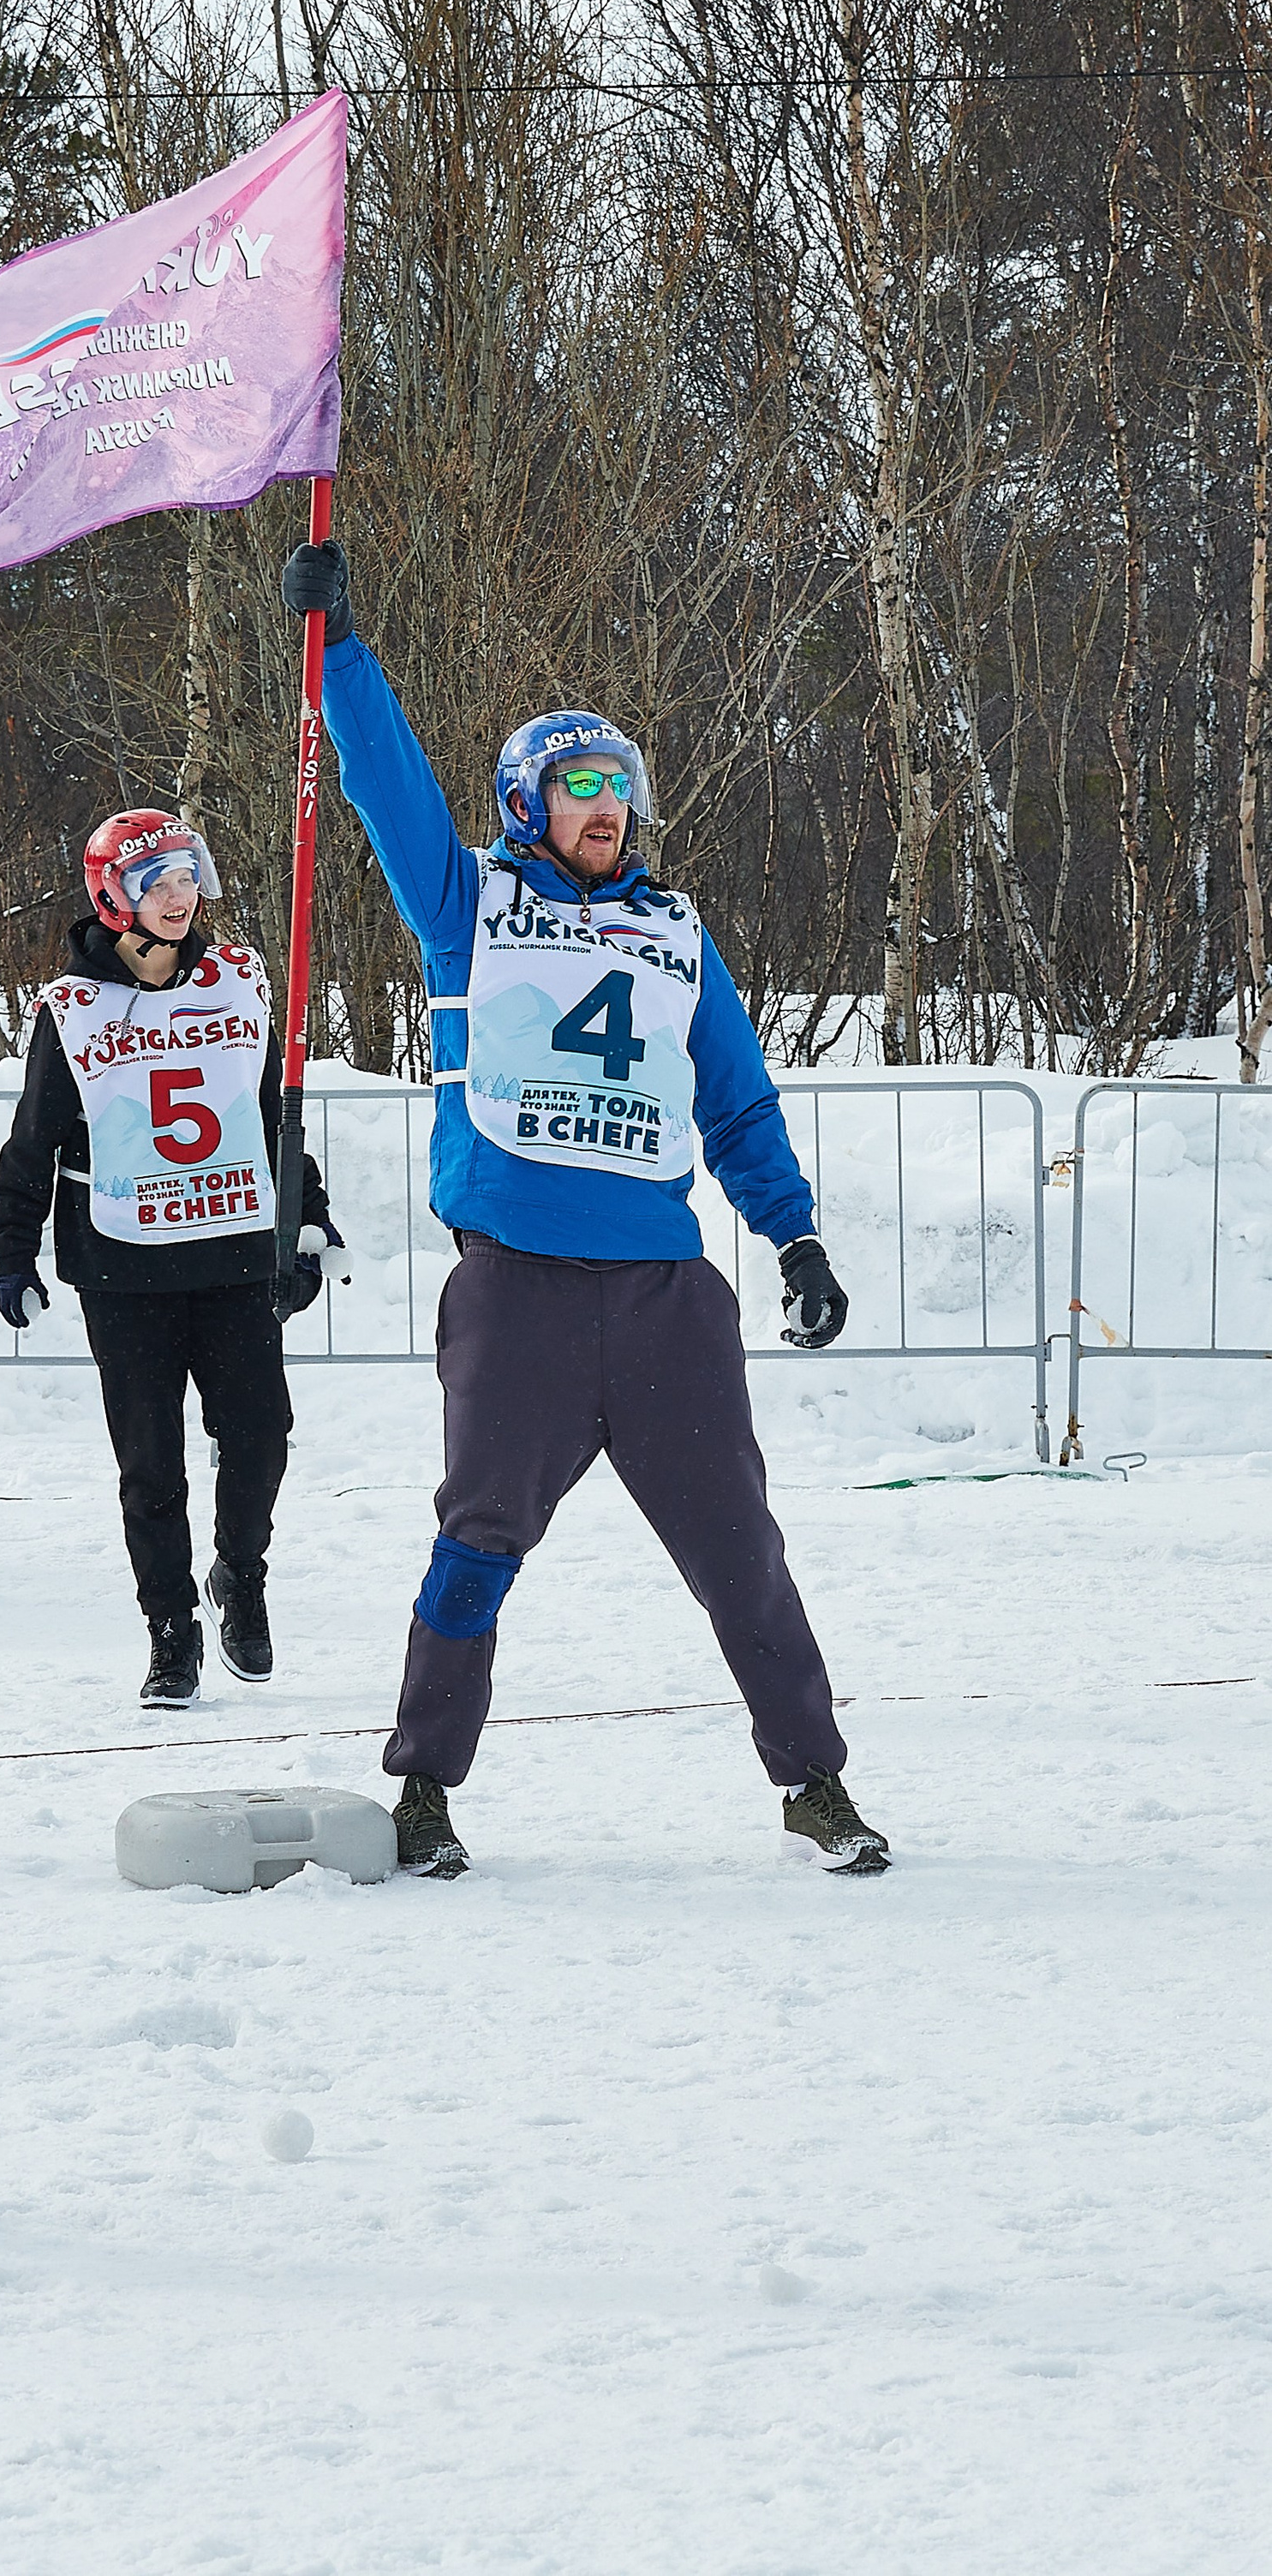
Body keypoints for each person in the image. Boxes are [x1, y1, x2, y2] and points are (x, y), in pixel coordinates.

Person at [281, 539, 886, 1881]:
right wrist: (338, 651)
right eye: (578, 786)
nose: (605, 806)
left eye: (619, 785)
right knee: (478, 1543)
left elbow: (736, 1101)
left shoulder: (678, 936)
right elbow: (384, 790)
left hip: (666, 1293)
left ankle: (816, 1783)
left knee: (743, 1558)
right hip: (519, 1290)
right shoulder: (470, 907)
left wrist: (794, 1235)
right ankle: (427, 1789)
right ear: (525, 806)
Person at [0, 809, 338, 1708]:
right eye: (156, 882)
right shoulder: (72, 1008)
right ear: (115, 899)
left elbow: (270, 1111)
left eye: (187, 876)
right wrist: (12, 1250)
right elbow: (34, 1138)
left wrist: (306, 1217)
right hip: (122, 1260)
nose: (178, 897)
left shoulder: (236, 979)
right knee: (151, 1463)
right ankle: (169, 1626)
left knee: (260, 1435)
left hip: (229, 1245)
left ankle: (240, 1577)